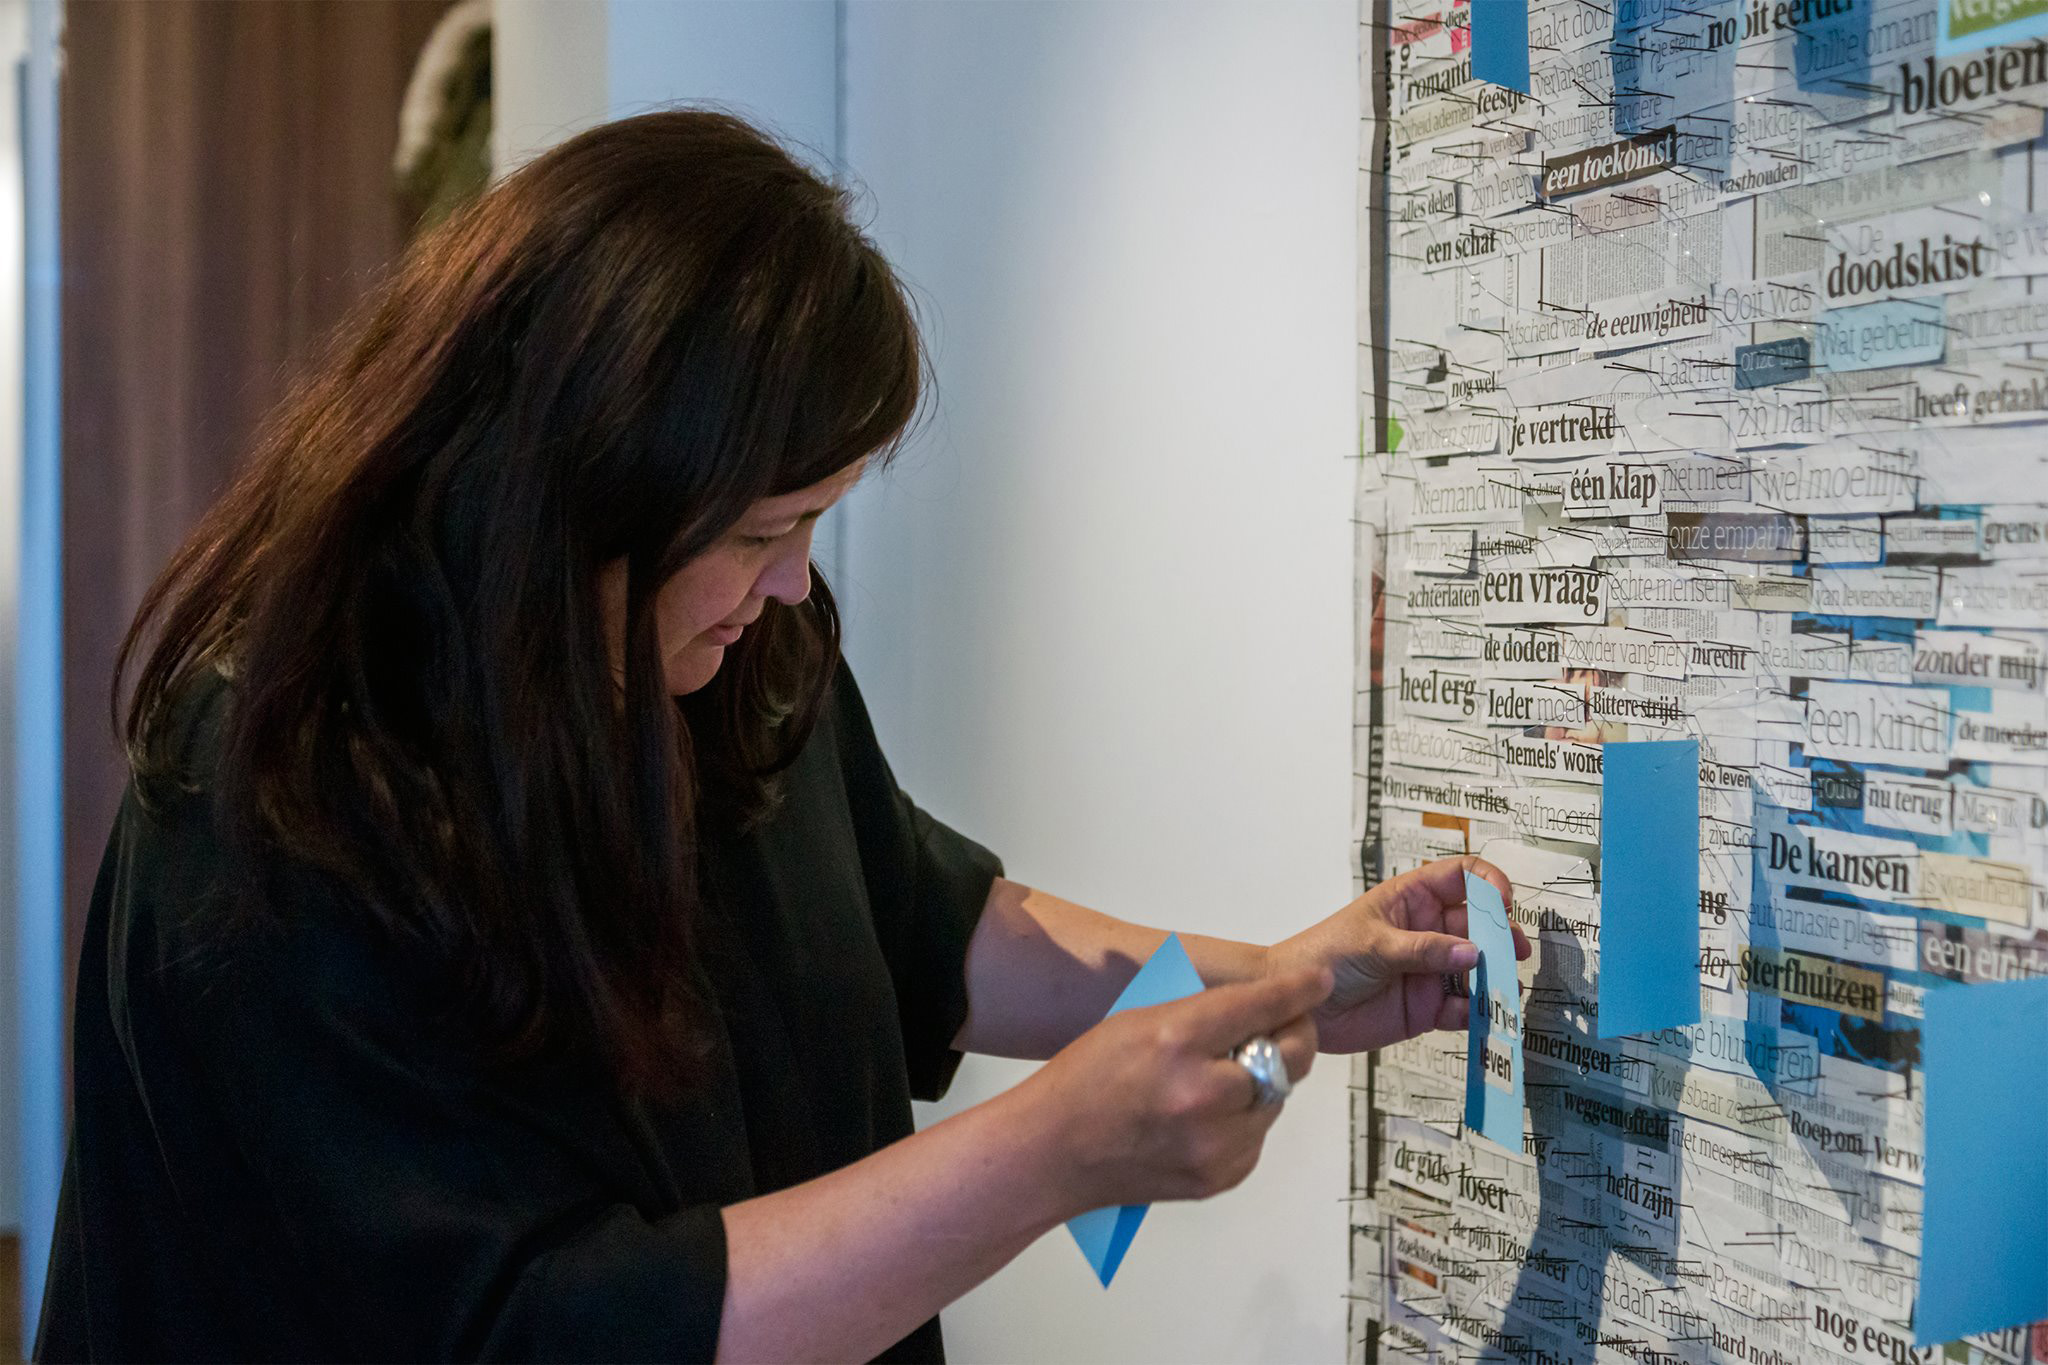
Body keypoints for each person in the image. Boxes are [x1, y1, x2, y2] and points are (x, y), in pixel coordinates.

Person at [36, 111, 1524, 1364]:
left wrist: (1283, 980)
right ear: (569, 497)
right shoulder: (281, 802)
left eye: (815, 521)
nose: (794, 584)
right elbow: (540, 1327)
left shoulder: (730, 652)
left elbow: (915, 925)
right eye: (760, 531)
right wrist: (1050, 1153)